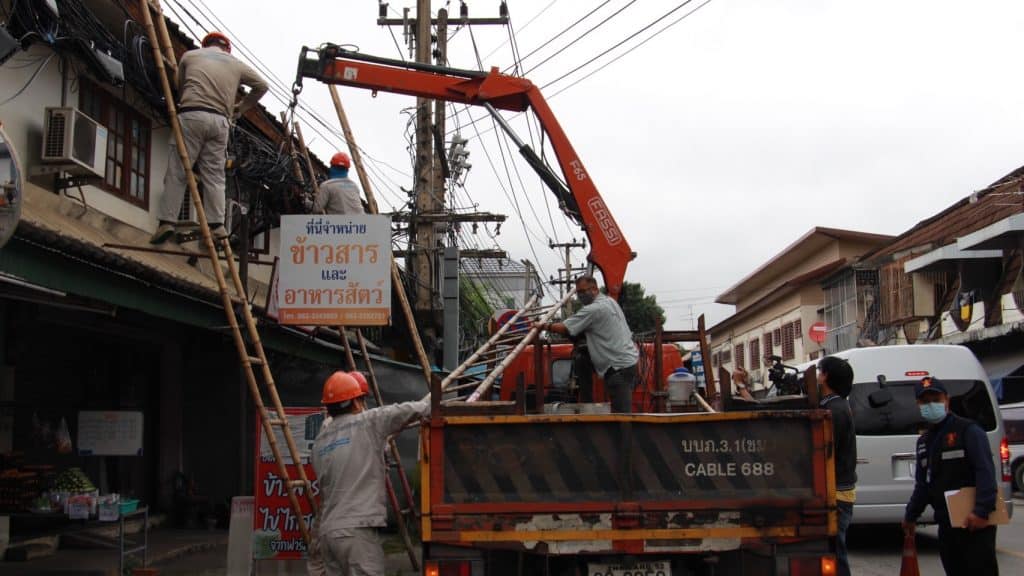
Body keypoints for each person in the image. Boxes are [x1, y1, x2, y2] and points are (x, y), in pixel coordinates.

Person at [150, 31, 268, 244]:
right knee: (215, 175)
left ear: (205, 45)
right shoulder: (236, 64)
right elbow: (262, 86)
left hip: (192, 114)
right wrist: (240, 108)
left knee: (178, 170)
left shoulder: (190, 56)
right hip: (220, 121)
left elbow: (180, 86)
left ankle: (167, 222)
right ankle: (217, 225)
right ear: (227, 49)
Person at [311, 371, 429, 574]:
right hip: (356, 532)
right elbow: (405, 411)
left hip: (328, 535)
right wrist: (431, 404)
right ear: (356, 402)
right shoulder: (367, 423)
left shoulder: (319, 442)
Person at [902, 377, 999, 576]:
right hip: (946, 522)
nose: (931, 405)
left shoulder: (968, 431)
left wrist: (981, 511)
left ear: (946, 399)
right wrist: (911, 515)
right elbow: (923, 485)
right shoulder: (924, 441)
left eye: (936, 399)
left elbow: (985, 471)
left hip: (973, 523)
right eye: (925, 401)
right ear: (918, 404)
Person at [539, 276, 639, 413]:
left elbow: (565, 328)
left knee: (621, 415)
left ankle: (619, 428)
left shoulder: (594, 309)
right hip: (626, 362)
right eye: (578, 292)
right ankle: (587, 403)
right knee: (582, 359)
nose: (580, 295)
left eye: (583, 291)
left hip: (618, 367)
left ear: (595, 289)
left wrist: (543, 326)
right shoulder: (609, 301)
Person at [817, 356, 856, 576]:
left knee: (835, 552)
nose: (816, 376)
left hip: (837, 494)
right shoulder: (834, 405)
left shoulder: (834, 411)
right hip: (838, 492)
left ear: (825, 376)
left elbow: (825, 451)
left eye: (819, 371)